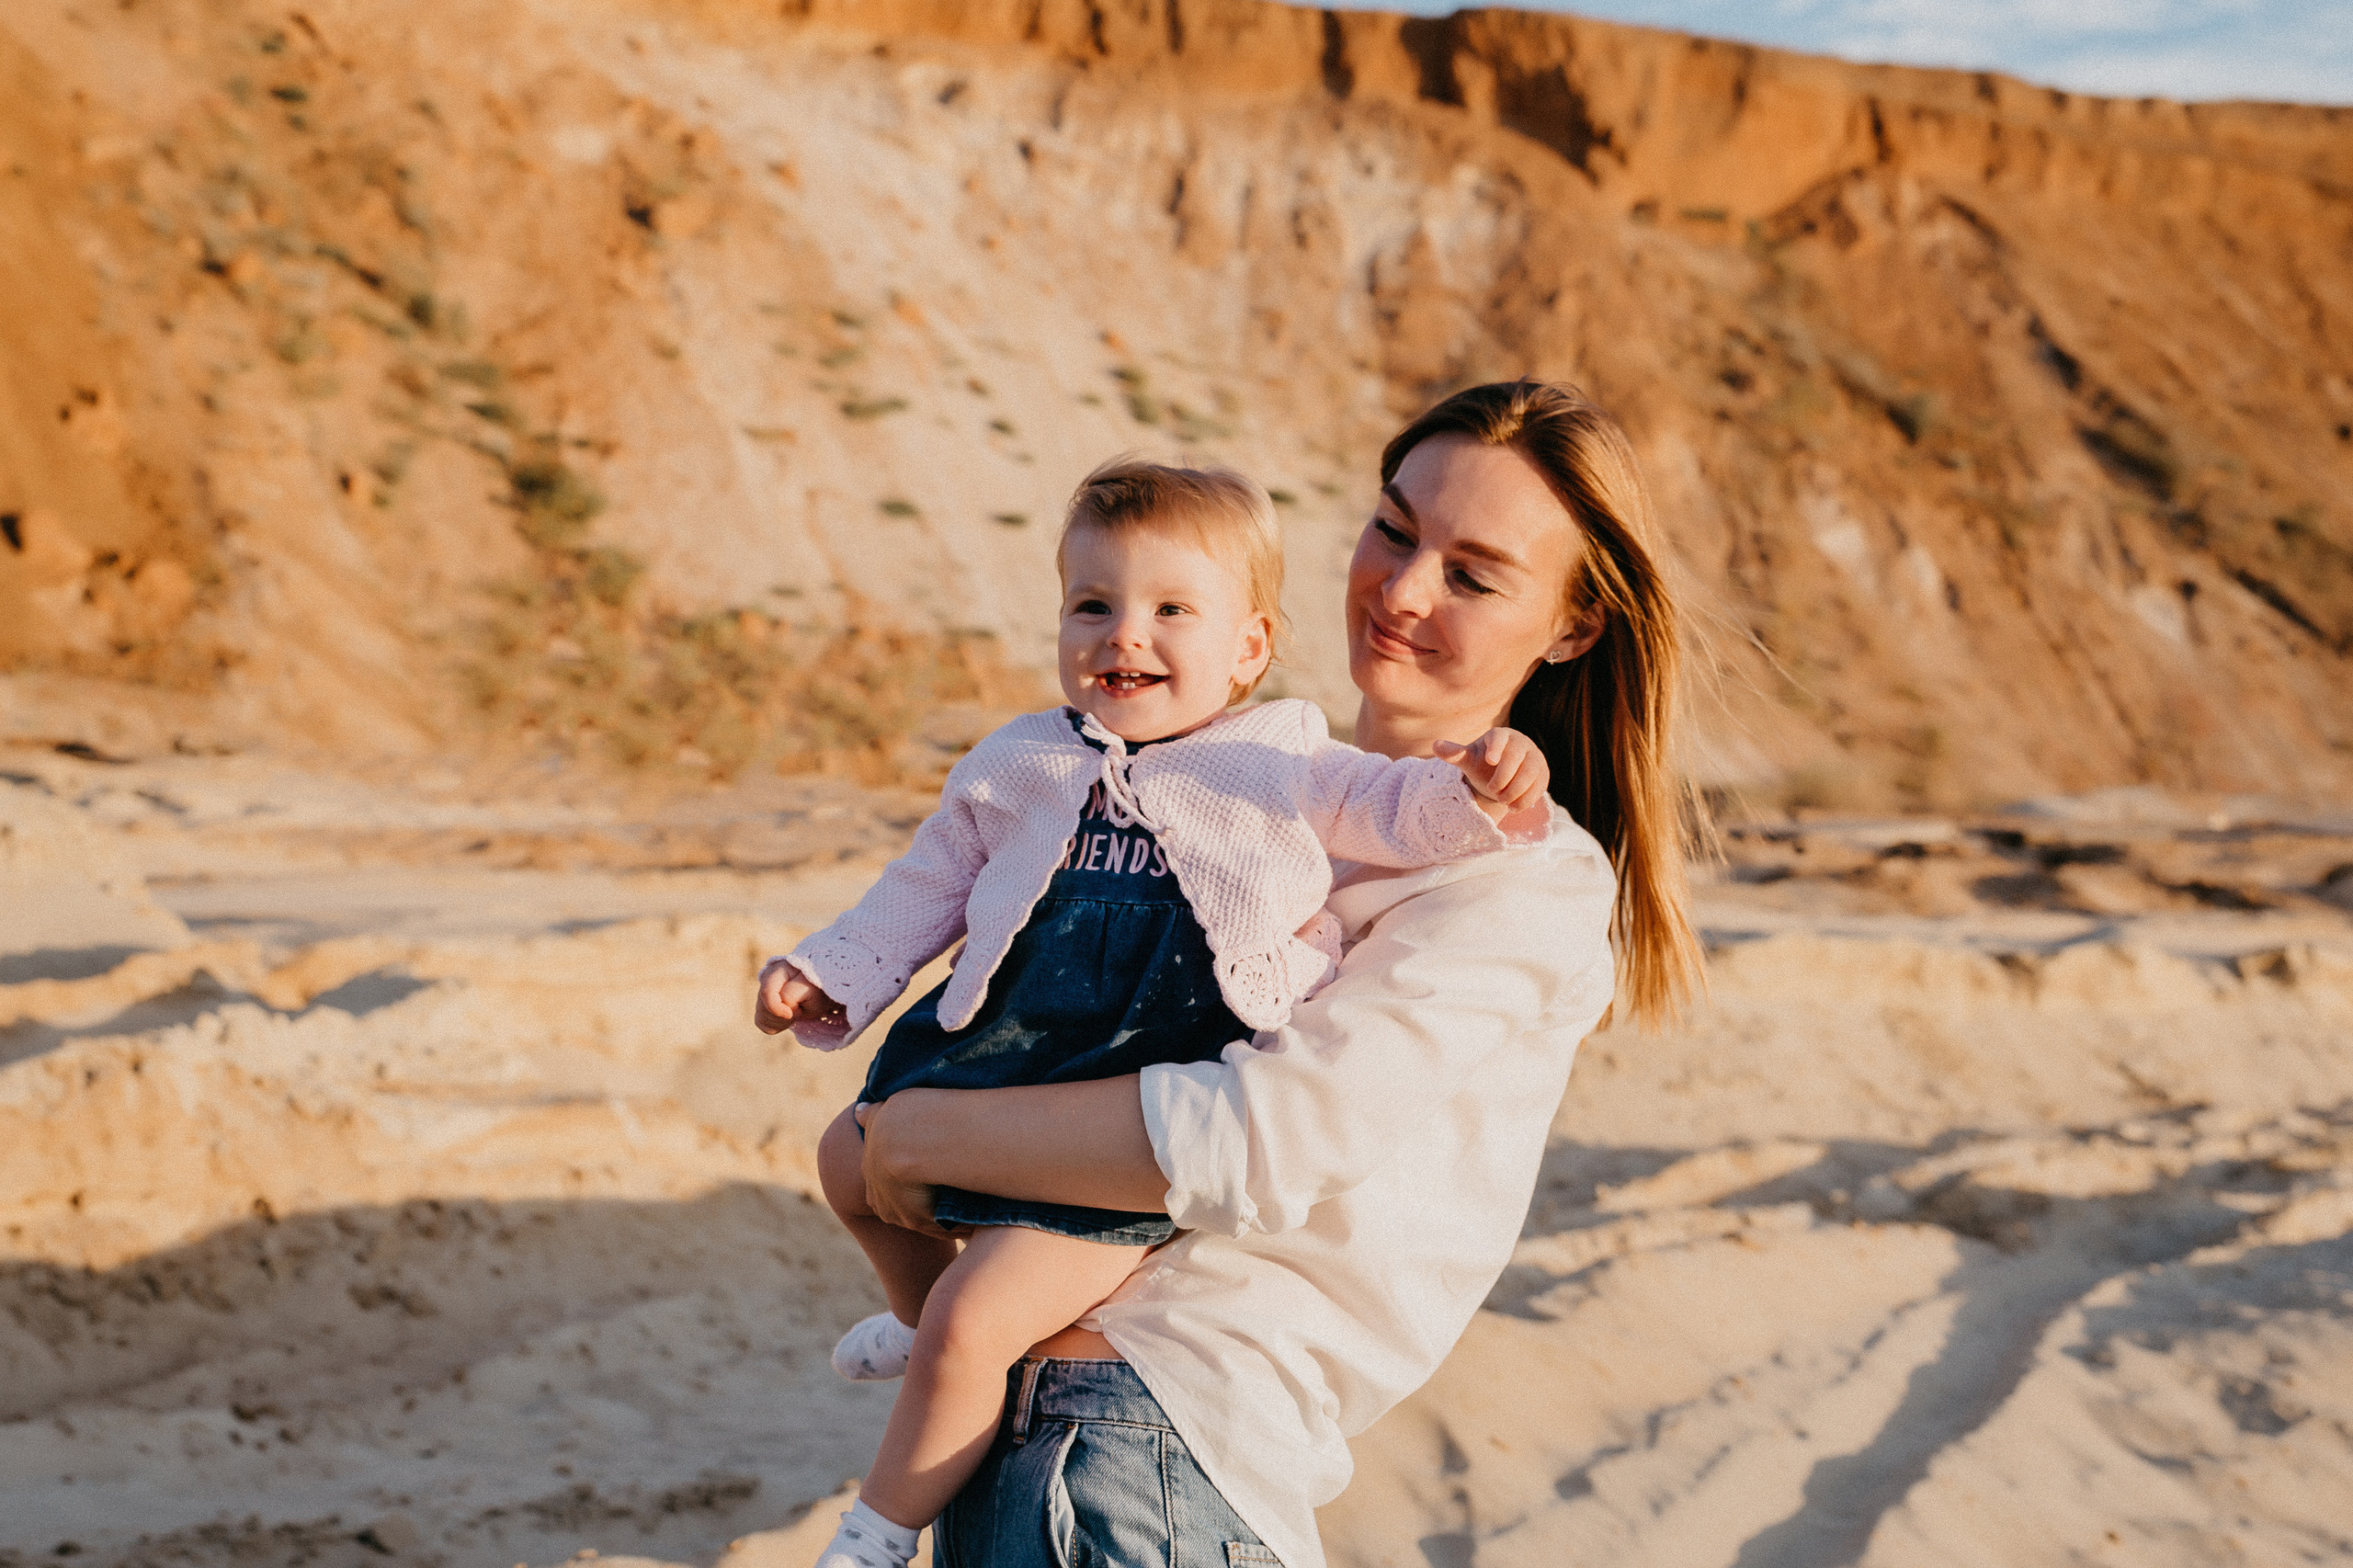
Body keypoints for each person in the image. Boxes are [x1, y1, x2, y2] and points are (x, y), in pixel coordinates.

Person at [838, 381, 1705, 1568]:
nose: (1401, 590)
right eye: (1394, 529)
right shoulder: (1232, 802)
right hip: (1047, 1440)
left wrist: (921, 1137)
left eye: (1474, 573)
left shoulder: (1527, 882)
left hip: (1148, 1450)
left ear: (1573, 625)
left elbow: (1265, 1137)